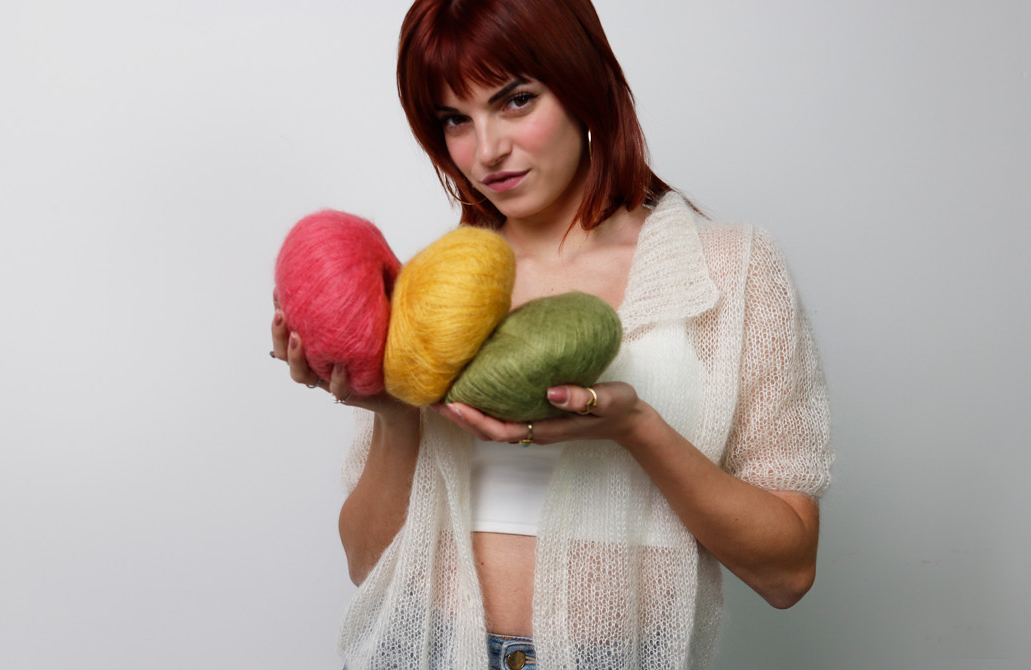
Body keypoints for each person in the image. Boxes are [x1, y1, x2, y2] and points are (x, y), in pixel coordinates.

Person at [271, 0, 832, 667]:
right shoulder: (435, 290)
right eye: (455, 119)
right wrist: (392, 411)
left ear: (582, 84)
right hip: (427, 647)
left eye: (515, 101)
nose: (487, 151)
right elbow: (367, 566)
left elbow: (787, 572)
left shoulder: (731, 272)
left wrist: (636, 429)